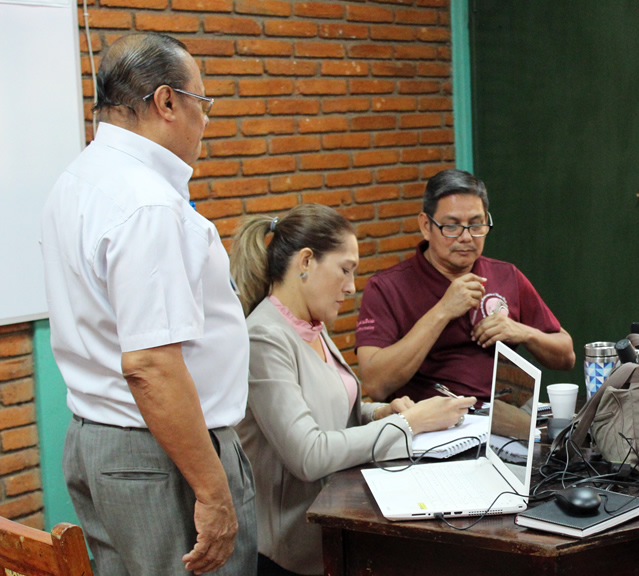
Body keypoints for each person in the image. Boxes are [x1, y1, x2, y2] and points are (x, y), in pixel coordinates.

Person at [39, 33, 255, 575]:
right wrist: (212, 491)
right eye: (202, 104)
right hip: (161, 453)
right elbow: (152, 365)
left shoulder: (78, 178)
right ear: (165, 103)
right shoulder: (147, 203)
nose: (205, 121)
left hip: (99, 438)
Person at [229, 204, 473, 576]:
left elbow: (328, 408)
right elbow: (308, 454)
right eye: (345, 270)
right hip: (288, 553)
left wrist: (380, 412)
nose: (350, 287)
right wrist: (411, 425)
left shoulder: (310, 322)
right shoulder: (264, 337)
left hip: (330, 525)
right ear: (306, 262)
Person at [355, 169, 575, 401]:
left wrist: (523, 332)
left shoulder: (506, 275)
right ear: (425, 226)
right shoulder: (387, 287)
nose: (466, 237)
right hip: (431, 426)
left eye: (476, 225)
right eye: (451, 226)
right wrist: (442, 311)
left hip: (502, 422)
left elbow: (566, 355)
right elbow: (375, 384)